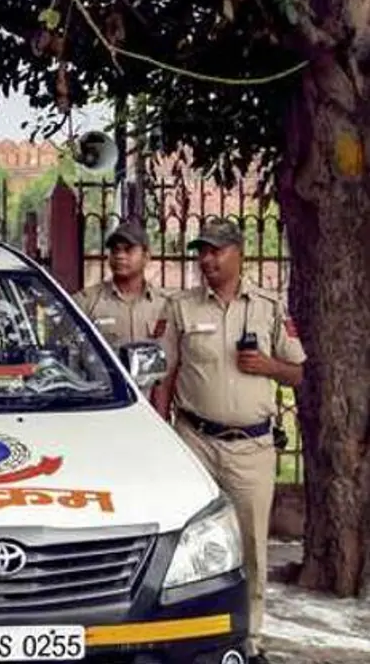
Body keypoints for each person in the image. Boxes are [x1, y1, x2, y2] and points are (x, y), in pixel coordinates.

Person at [149, 217, 305, 664]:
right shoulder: (181, 307)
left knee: (252, 546)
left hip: (251, 448)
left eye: (216, 251)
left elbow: (298, 373)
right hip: (194, 440)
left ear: (240, 253)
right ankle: (185, 634)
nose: (207, 259)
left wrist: (267, 366)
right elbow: (164, 376)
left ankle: (250, 638)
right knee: (183, 542)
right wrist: (161, 434)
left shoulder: (269, 307)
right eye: (202, 251)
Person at [72, 219, 170, 350]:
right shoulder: (87, 302)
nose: (120, 256)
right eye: (115, 250)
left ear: (146, 256)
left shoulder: (165, 305)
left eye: (128, 250)